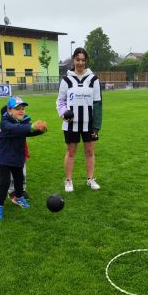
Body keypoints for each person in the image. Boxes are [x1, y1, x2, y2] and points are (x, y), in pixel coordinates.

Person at [0, 96, 47, 220]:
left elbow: (27, 132)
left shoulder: (24, 121)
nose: (22, 111)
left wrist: (40, 130)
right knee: (5, 182)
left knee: (19, 179)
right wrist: (31, 126)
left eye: (23, 108)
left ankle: (19, 197)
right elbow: (15, 129)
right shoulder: (5, 122)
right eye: (18, 108)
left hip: (17, 155)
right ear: (9, 110)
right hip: (4, 157)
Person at [56, 47, 102, 192]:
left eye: (83, 60)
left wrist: (96, 127)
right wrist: (64, 113)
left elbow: (98, 104)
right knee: (71, 152)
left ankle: (90, 179)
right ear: (73, 60)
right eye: (78, 59)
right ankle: (69, 180)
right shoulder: (66, 80)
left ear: (86, 61)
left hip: (89, 124)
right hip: (71, 125)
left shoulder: (93, 79)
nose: (80, 63)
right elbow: (60, 101)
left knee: (89, 152)